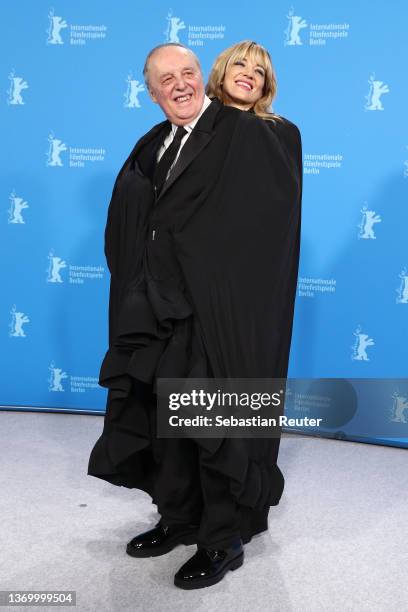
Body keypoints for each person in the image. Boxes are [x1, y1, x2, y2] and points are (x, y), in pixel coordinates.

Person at [88, 41, 302, 590]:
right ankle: (179, 518)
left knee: (215, 423)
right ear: (152, 90)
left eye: (187, 72)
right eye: (167, 78)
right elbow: (129, 222)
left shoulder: (249, 132)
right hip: (156, 312)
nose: (179, 84)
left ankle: (222, 539)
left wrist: (206, 282)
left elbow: (264, 224)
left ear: (200, 77)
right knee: (167, 423)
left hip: (215, 311)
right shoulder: (151, 143)